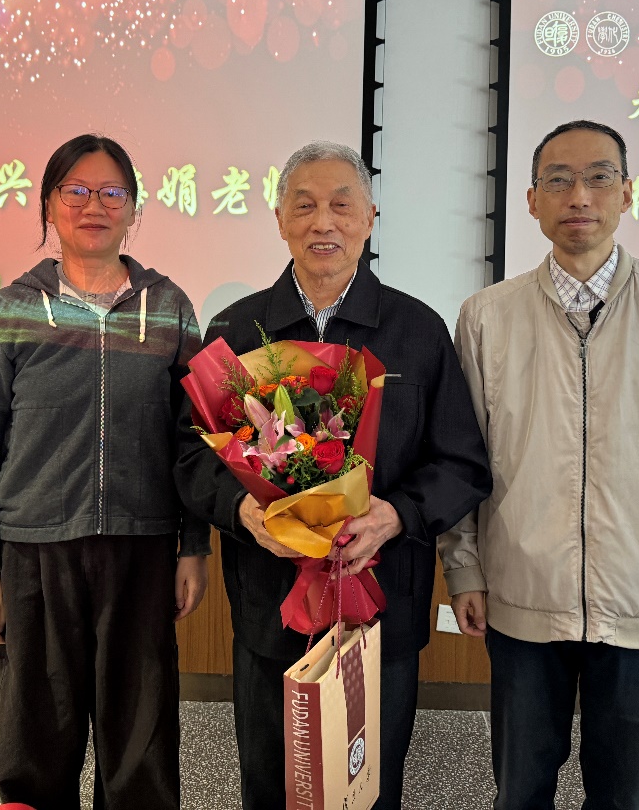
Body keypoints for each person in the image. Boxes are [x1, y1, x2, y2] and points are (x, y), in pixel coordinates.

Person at [440, 119, 639, 810]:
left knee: (622, 794)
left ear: (627, 193)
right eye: (558, 180)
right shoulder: (486, 317)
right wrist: (463, 568)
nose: (578, 195)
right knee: (519, 790)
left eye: (598, 178)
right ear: (531, 200)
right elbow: (461, 461)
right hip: (522, 596)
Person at [175, 140, 492, 810]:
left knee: (367, 787)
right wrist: (242, 511)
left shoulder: (417, 331)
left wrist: (395, 515)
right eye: (305, 205)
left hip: (380, 603)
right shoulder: (236, 332)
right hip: (270, 605)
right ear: (279, 220)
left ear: (370, 218)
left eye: (341, 206)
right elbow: (190, 454)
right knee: (271, 783)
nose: (324, 222)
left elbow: (461, 462)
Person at [0, 133, 209, 810]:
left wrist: (192, 546)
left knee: (141, 748)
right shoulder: (8, 311)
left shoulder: (169, 308)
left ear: (134, 209)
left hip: (142, 549)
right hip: (34, 554)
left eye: (111, 192)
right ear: (48, 205)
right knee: (35, 744)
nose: (94, 205)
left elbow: (194, 439)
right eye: (76, 191)